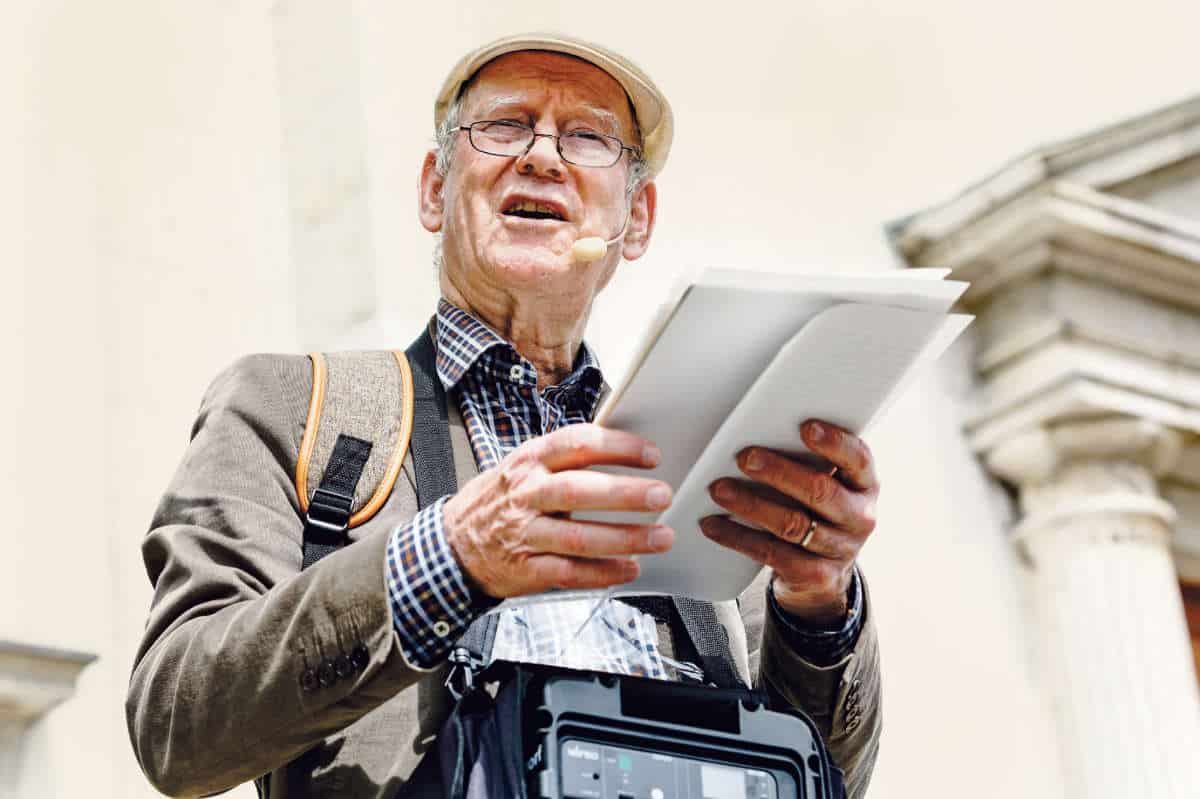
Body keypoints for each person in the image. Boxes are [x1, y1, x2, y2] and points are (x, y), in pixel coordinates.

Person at [127, 33, 882, 799]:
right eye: (505, 125)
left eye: (587, 136)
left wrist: (820, 604)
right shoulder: (291, 408)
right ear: (433, 189)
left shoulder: (709, 461)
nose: (543, 157)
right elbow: (176, 726)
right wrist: (449, 558)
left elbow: (825, 775)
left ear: (638, 218)